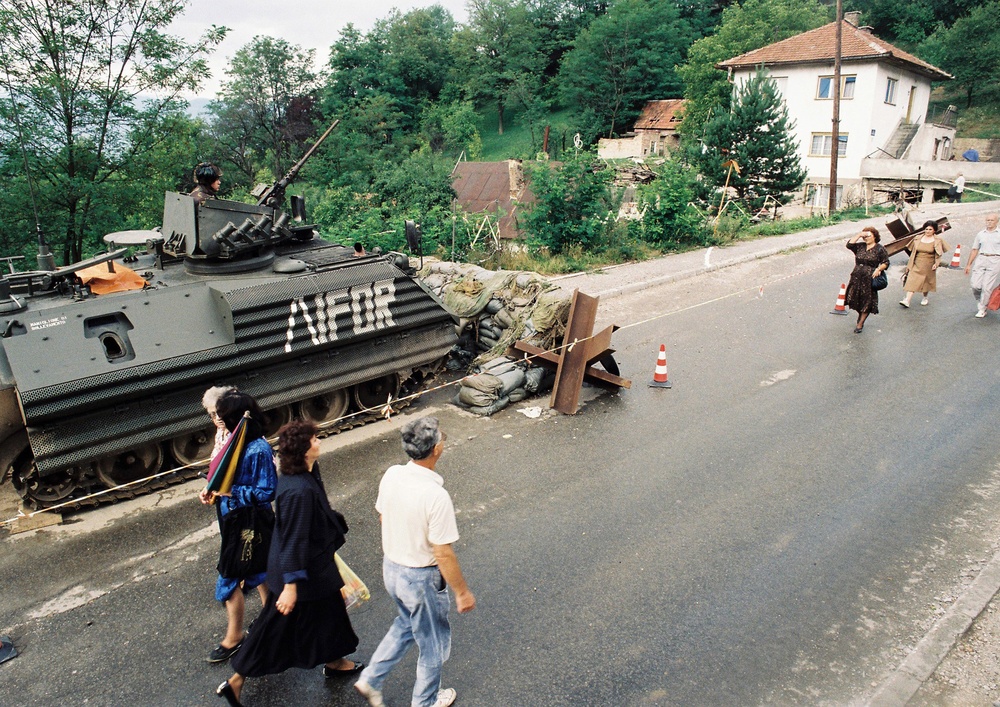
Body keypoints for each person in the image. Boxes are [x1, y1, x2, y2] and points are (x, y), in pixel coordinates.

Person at [216, 420, 362, 707]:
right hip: (300, 573)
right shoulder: (298, 491)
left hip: (314, 567)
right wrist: (291, 587)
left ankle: (335, 661)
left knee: (330, 614)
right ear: (304, 449)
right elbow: (294, 539)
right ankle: (235, 682)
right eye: (315, 439)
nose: (319, 441)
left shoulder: (305, 472)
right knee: (274, 630)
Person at [355, 417, 475, 707]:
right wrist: (462, 591)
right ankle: (426, 701)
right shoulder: (436, 496)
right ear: (436, 449)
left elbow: (383, 515)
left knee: (406, 624)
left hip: (392, 570)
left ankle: (371, 679)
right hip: (420, 579)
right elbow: (442, 552)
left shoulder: (393, 474)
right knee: (432, 645)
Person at [199, 391, 276, 664]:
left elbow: (268, 491)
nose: (218, 420)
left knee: (230, 576)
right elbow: (219, 475)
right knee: (260, 568)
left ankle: (234, 637)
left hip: (247, 521)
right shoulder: (233, 438)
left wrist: (232, 491)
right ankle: (275, 619)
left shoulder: (257, 448)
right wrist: (212, 490)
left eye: (221, 415)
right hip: (232, 519)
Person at [844, 226, 890, 333]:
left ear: (874, 236)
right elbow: (849, 245)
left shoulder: (880, 249)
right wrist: (860, 234)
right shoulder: (860, 246)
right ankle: (860, 315)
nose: (866, 238)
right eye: (864, 236)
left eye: (868, 236)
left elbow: (886, 262)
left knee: (867, 301)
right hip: (856, 277)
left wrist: (879, 269)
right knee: (855, 299)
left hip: (869, 278)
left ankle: (860, 324)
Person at [899, 221, 949, 308]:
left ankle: (925, 297)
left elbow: (938, 254)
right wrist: (909, 265)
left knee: (926, 283)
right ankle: (907, 300)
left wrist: (936, 264)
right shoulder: (917, 238)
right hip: (916, 263)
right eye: (926, 229)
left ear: (934, 230)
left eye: (930, 229)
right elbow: (912, 251)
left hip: (929, 264)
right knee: (912, 280)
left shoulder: (938, 240)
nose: (928, 231)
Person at [965, 212, 1000, 318]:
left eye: (992, 220)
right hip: (981, 259)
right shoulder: (981, 234)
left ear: (997, 221)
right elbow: (975, 249)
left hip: (995, 259)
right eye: (987, 220)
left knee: (986, 287)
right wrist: (968, 265)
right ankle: (981, 300)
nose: (989, 222)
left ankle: (982, 308)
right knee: (975, 285)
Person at [202, 386, 236, 458]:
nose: (218, 418)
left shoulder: (239, 432)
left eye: (221, 412)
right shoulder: (220, 431)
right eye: (213, 414)